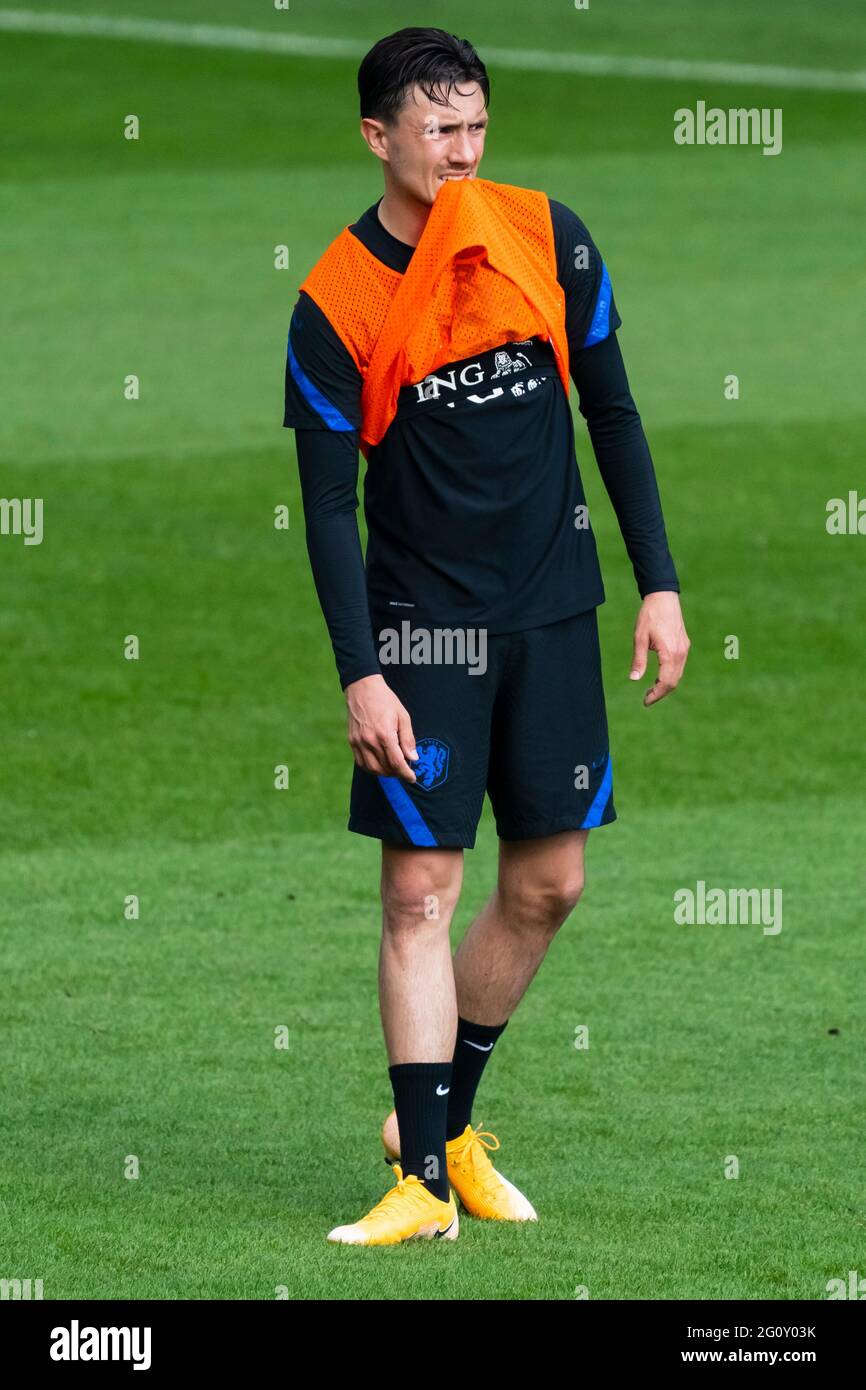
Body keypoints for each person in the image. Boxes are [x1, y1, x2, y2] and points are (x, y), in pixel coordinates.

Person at [283, 27, 690, 1246]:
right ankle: (417, 1185)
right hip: (423, 629)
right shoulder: (335, 300)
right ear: (378, 138)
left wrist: (656, 584)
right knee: (419, 892)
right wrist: (361, 669)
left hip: (555, 607)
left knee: (548, 884)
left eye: (475, 128)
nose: (462, 154)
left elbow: (609, 415)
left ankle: (442, 1124)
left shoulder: (547, 237)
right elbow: (325, 504)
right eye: (437, 131)